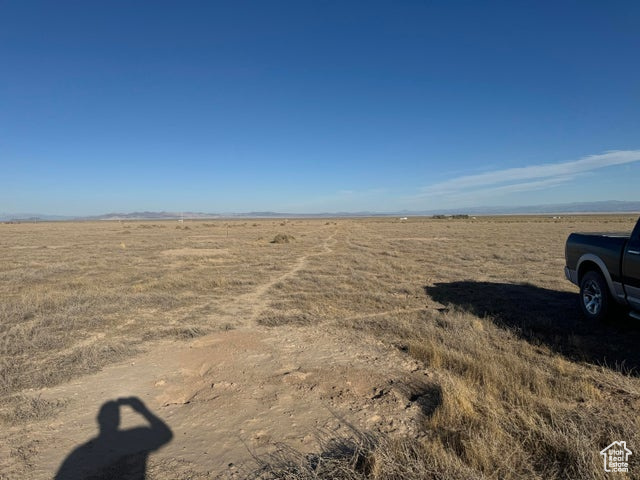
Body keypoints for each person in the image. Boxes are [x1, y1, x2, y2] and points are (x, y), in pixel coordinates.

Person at [55, 397, 173, 480]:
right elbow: (165, 434)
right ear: (118, 420)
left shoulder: (79, 452)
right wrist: (143, 410)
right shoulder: (133, 436)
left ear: (99, 420)